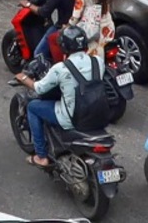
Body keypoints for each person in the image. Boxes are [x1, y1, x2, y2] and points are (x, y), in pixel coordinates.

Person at [14, 25, 104, 168]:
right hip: (99, 114)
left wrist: (24, 78)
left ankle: (41, 156)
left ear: (64, 47)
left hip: (73, 118)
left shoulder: (61, 69)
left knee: (33, 107)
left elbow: (39, 88)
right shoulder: (98, 62)